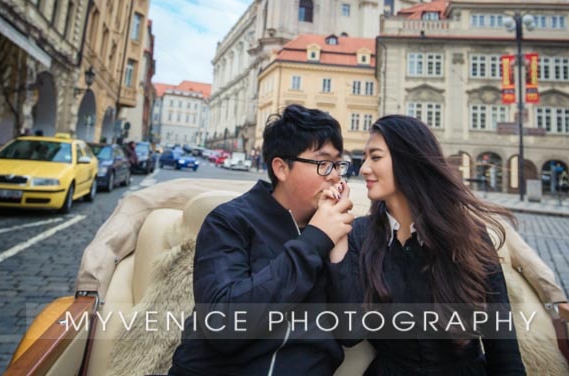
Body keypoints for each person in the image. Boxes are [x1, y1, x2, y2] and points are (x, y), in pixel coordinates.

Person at [328, 115, 526, 375]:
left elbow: (503, 349)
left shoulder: (468, 235)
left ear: (408, 160)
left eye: (375, 157)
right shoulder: (359, 235)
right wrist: (338, 238)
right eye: (365, 158)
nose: (364, 168)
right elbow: (349, 331)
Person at [169, 105, 354, 375]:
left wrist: (337, 246)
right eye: (323, 163)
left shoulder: (341, 229)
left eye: (338, 164)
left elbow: (353, 330)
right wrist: (315, 240)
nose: (336, 174)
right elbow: (224, 324)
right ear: (281, 168)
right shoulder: (229, 222)